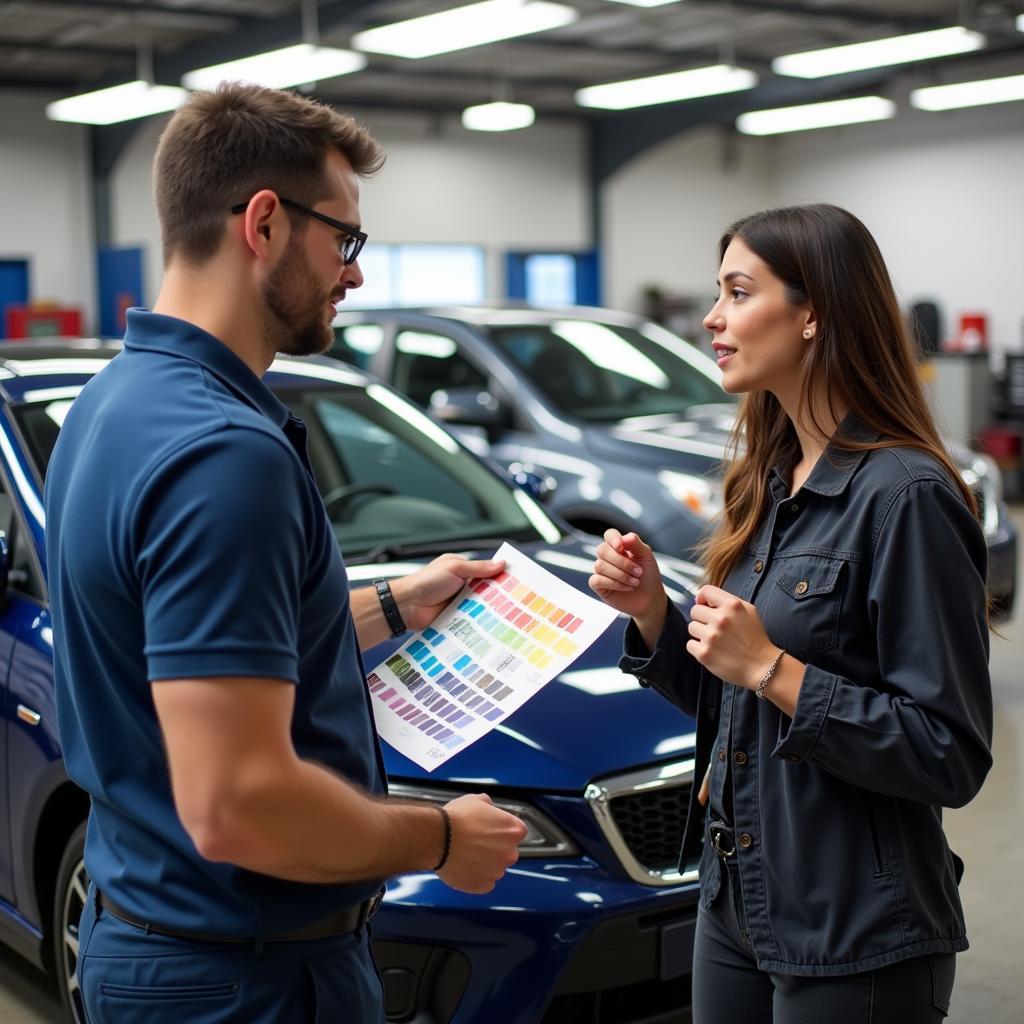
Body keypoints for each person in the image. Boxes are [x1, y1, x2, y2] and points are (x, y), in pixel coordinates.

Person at [44, 83, 527, 1023]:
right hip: (244, 982)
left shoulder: (111, 404)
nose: (354, 275)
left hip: (148, 943)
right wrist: (438, 839)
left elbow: (186, 643)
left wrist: (394, 604)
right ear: (264, 222)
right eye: (345, 240)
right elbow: (238, 803)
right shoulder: (227, 455)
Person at [589, 204, 992, 1023]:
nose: (712, 318)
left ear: (813, 313)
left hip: (855, 929)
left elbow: (949, 753)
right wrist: (658, 620)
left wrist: (773, 668)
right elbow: (740, 707)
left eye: (738, 292)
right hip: (736, 900)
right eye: (718, 293)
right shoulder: (769, 485)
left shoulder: (905, 496)